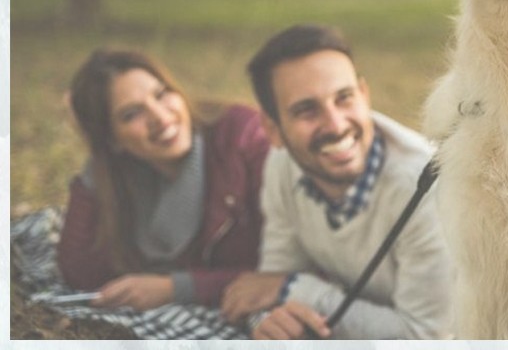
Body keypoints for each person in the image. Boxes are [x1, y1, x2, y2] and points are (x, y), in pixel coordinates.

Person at [220, 24, 453, 340]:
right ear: (273, 129)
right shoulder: (283, 165)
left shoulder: (428, 191)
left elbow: (425, 337)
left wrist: (294, 290)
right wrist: (267, 318)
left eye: (344, 98)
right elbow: (271, 281)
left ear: (364, 94)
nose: (336, 125)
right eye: (306, 110)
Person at [57, 48, 270, 310]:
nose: (159, 117)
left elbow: (284, 271)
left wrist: (176, 288)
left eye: (161, 94)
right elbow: (81, 273)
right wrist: (97, 159)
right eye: (132, 114)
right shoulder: (127, 176)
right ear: (112, 139)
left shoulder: (243, 136)